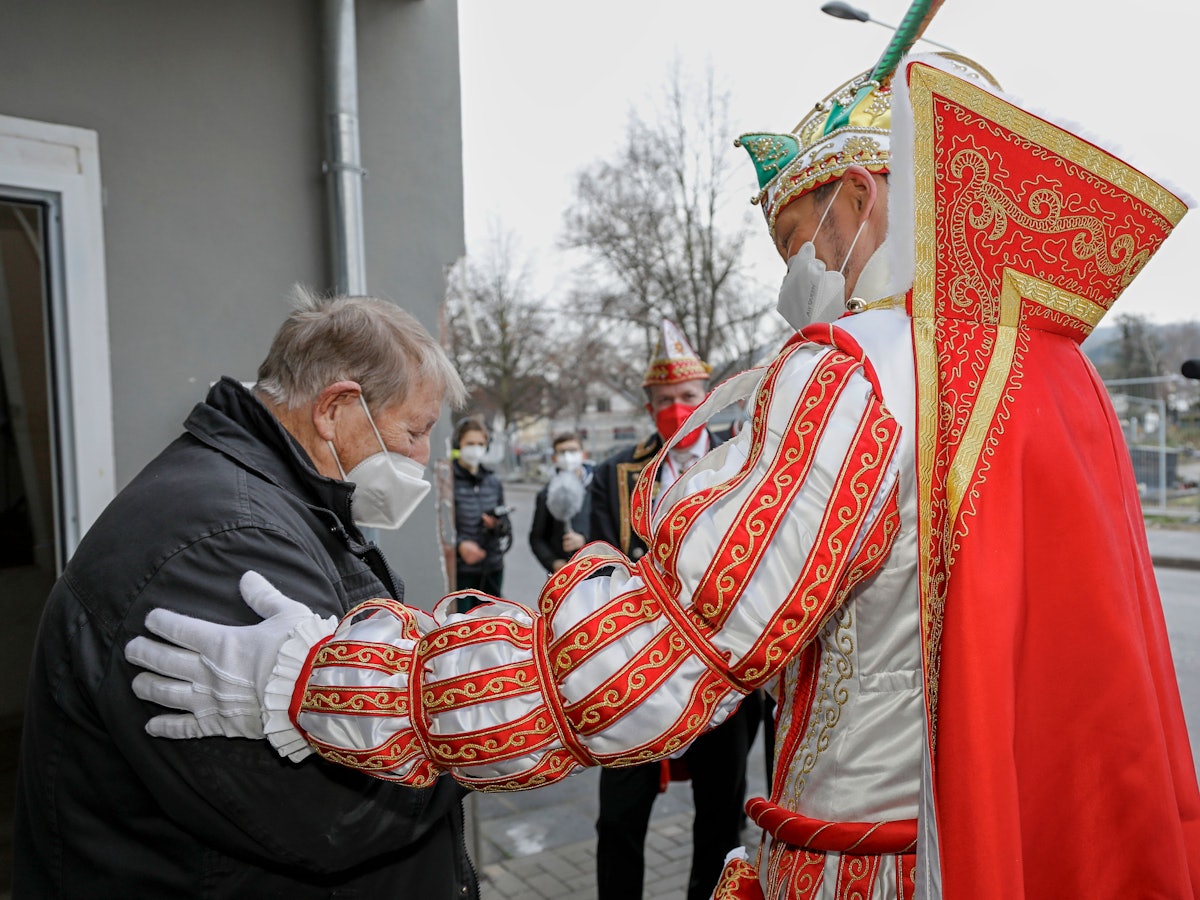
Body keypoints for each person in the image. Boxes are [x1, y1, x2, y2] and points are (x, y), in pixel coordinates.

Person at [125, 13, 1200, 899]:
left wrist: (318, 681)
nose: (800, 277)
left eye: (803, 241)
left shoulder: (861, 368)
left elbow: (644, 661)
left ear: (863, 199)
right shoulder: (1037, 369)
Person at [15, 289, 478, 899]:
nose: (422, 457)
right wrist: (478, 720)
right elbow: (335, 810)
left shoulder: (271, 499)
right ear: (336, 409)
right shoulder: (227, 543)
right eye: (415, 431)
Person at [587, 320, 756, 900]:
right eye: (664, 401)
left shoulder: (751, 460)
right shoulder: (614, 474)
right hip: (635, 674)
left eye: (687, 396)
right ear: (648, 406)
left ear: (709, 394)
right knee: (618, 820)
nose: (678, 408)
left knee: (720, 816)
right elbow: (594, 569)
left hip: (726, 671)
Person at [451, 417, 510, 610]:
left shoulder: (493, 481)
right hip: (461, 570)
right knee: (462, 626)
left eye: (480, 444)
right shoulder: (447, 479)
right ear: (458, 443)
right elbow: (437, 524)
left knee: (491, 625)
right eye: (470, 443)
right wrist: (459, 545)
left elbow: (506, 526)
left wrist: (497, 525)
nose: (475, 448)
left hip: (492, 566)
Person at [528, 431, 592, 575]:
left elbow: (610, 528)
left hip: (597, 571)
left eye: (573, 451)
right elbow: (537, 537)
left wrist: (584, 540)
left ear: (584, 455)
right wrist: (553, 562)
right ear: (554, 458)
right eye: (562, 452)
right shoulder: (546, 494)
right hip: (564, 575)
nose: (568, 457)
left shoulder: (597, 488)